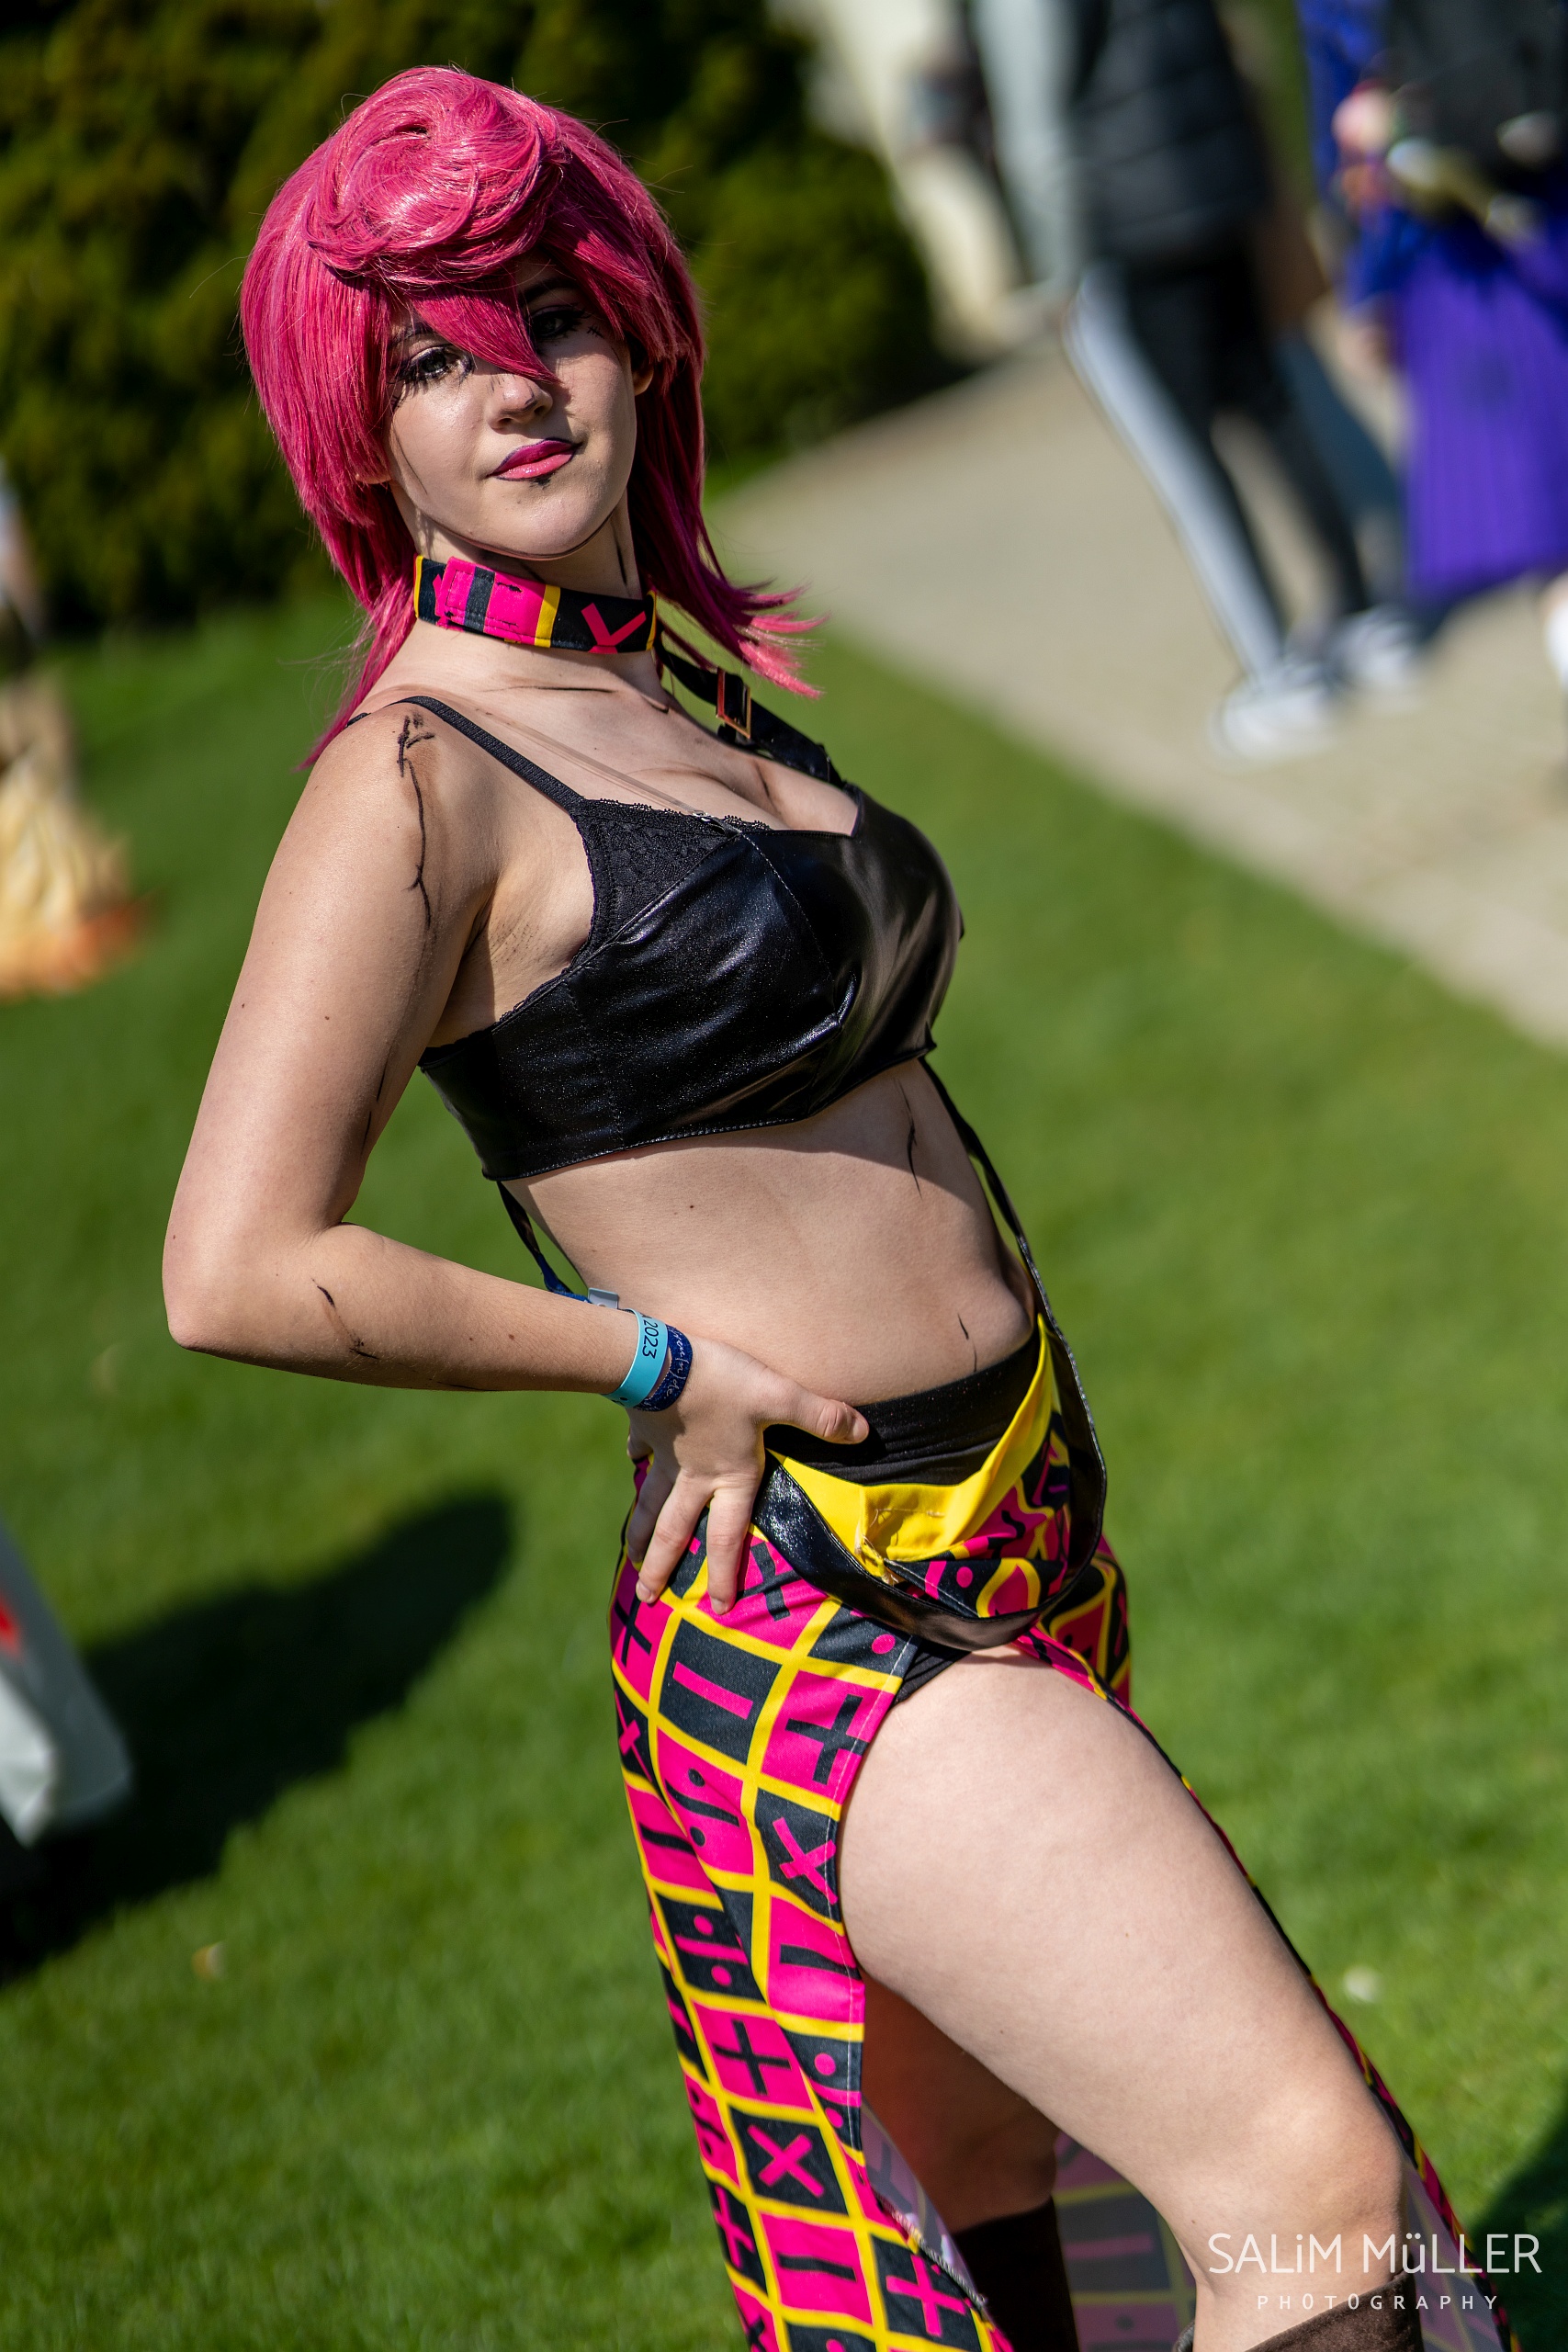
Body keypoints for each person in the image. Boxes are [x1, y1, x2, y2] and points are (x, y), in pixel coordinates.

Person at [165, 67, 1496, 2352]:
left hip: (1010, 1511)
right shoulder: (417, 774)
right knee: (1307, 2194)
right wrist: (647, 1357)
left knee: (986, 2197)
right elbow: (234, 1261)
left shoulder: (661, 688)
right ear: (357, 430)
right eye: (431, 357)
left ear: (633, 325)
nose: (514, 383)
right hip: (820, 1585)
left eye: (547, 314)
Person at [971, 0, 1420, 762]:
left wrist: (1060, 270)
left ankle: (1276, 667)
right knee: (1271, 405)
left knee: (1186, 455)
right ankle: (1366, 615)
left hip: (1134, 228)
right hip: (1219, 189)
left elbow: (1036, 126)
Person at [1308, 0, 1568, 730]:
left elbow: (1341, 137)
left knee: (1553, 544)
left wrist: (1362, 288)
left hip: (1460, 268)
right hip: (1542, 207)